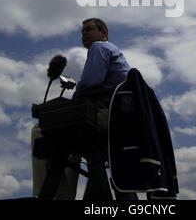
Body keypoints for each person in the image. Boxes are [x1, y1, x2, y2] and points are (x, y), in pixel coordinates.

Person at [31, 18, 131, 199]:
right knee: (71, 132)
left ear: (103, 33)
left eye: (88, 29)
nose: (83, 33)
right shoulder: (113, 51)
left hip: (105, 116)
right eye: (82, 31)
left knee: (40, 130)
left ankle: (58, 194)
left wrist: (71, 103)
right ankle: (65, 192)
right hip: (119, 118)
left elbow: (89, 83)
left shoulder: (99, 47)